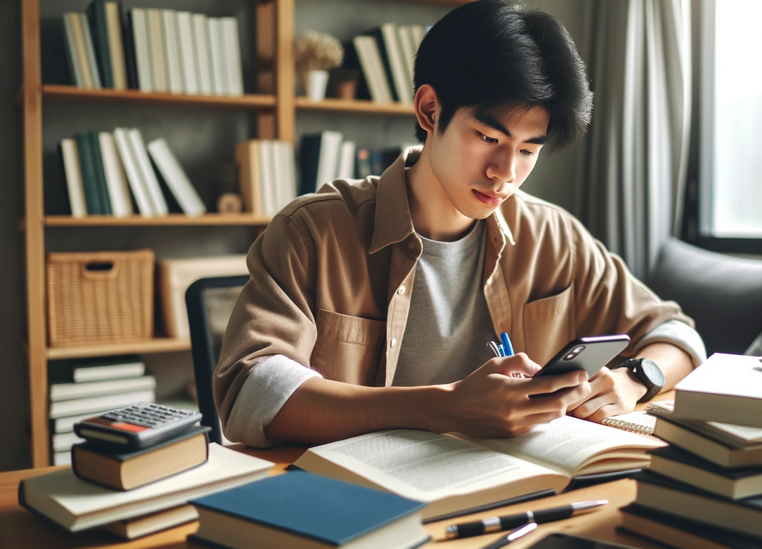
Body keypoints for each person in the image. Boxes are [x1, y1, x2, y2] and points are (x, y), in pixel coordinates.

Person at [214, 0, 705, 447]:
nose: (505, 173)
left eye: (528, 150)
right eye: (488, 137)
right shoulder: (312, 231)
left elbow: (677, 332)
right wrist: (443, 407)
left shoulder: (553, 237)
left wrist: (635, 378)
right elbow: (250, 394)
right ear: (430, 110)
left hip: (510, 496)